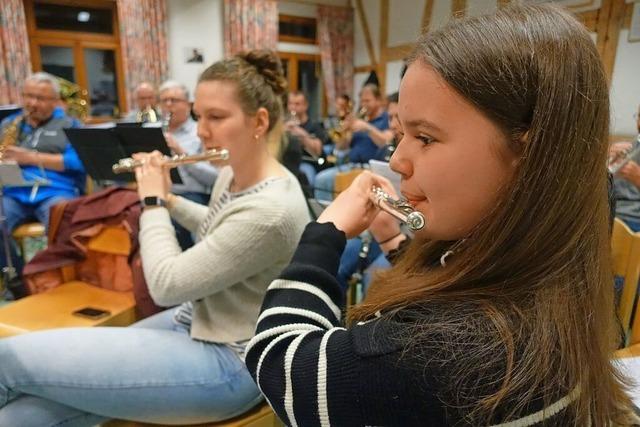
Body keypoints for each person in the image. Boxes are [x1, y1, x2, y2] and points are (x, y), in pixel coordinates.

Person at [246, 5, 637, 426]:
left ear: (528, 153)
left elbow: (278, 363)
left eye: (425, 137)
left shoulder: (446, 349)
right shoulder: (551, 275)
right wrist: (393, 242)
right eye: (401, 135)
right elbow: (451, 285)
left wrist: (326, 230)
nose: (397, 160)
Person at [0, 50, 310, 426]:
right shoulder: (235, 173)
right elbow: (219, 230)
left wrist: (151, 202)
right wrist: (170, 197)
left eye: (216, 117)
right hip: (194, 320)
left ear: (259, 121)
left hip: (231, 360)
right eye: (199, 115)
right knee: (29, 411)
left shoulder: (272, 208)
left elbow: (165, 285)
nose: (200, 131)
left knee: (8, 361)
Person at [0, 72, 85, 296]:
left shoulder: (70, 124)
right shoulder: (10, 124)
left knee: (63, 223)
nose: (31, 103)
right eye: (28, 96)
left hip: (54, 191)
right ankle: (19, 279)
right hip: (14, 193)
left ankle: (61, 282)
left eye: (40, 98)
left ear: (54, 101)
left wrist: (29, 157)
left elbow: (78, 162)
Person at [156, 80, 218, 249]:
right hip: (162, 192)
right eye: (164, 100)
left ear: (188, 104)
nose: (168, 105)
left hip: (193, 194)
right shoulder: (155, 132)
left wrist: (180, 152)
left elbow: (214, 177)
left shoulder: (201, 132)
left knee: (171, 224)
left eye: (174, 100)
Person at [314, 84, 392, 201]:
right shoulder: (360, 119)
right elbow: (341, 148)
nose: (364, 105)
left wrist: (368, 128)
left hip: (369, 168)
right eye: (362, 101)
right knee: (321, 179)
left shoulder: (386, 118)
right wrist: (345, 132)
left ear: (378, 101)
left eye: (367, 101)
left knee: (322, 180)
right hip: (351, 165)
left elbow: (386, 142)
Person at [285, 91, 329, 186]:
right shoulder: (283, 125)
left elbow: (317, 151)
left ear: (305, 106)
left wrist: (301, 134)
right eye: (290, 104)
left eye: (297, 104)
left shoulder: (314, 126)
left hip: (307, 164)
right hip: (287, 163)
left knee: (305, 176)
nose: (293, 107)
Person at [610, 104, 640, 231]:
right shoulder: (630, 147)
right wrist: (605, 160)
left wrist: (638, 178)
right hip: (613, 214)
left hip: (634, 221)